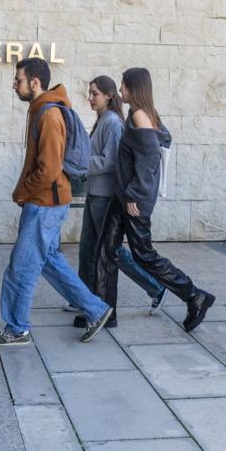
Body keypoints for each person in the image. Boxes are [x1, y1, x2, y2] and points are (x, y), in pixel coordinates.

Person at [0, 57, 113, 347]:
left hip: (45, 203)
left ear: (34, 82)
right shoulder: (39, 110)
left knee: (21, 267)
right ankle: (96, 309)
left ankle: (17, 328)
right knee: (49, 261)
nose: (14, 85)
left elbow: (49, 169)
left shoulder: (49, 115)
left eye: (18, 80)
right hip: (46, 201)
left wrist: (23, 192)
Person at [91, 68, 214, 341]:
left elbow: (148, 161)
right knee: (105, 251)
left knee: (144, 255)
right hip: (122, 197)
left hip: (133, 200)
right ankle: (102, 312)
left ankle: (195, 296)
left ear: (134, 88)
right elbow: (164, 139)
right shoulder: (146, 114)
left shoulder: (140, 116)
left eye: (123, 86)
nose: (120, 91)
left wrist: (135, 195)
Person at [72, 76, 166, 330]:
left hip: (106, 195)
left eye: (94, 94)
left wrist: (81, 166)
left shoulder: (113, 122)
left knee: (111, 252)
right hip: (95, 193)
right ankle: (83, 297)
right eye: (89, 93)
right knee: (88, 249)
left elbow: (110, 161)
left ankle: (155, 287)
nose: (90, 98)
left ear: (109, 95)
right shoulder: (102, 120)